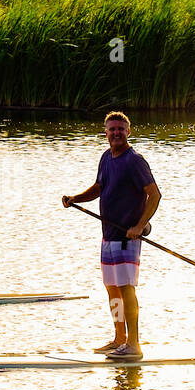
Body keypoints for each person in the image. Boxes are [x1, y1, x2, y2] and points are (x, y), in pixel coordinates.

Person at [62, 111, 160, 360]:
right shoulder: (106, 157)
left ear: (129, 132)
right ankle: (119, 339)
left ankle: (134, 345)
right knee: (112, 289)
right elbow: (98, 188)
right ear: (105, 133)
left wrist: (140, 225)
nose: (116, 133)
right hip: (108, 235)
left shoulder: (134, 160)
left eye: (121, 129)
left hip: (128, 237)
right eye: (112, 129)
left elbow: (155, 194)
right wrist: (75, 198)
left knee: (127, 289)